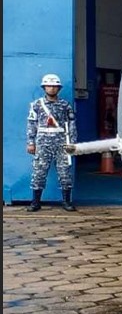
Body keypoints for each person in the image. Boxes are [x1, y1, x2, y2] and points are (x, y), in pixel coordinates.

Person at [26, 74, 78, 212]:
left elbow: (71, 124)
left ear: (59, 88)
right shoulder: (37, 105)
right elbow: (32, 124)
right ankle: (35, 202)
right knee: (39, 172)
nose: (52, 88)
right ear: (44, 87)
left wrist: (72, 142)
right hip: (43, 143)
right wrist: (31, 142)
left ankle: (66, 202)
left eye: (55, 86)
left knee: (65, 173)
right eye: (49, 86)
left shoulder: (65, 105)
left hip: (62, 143)